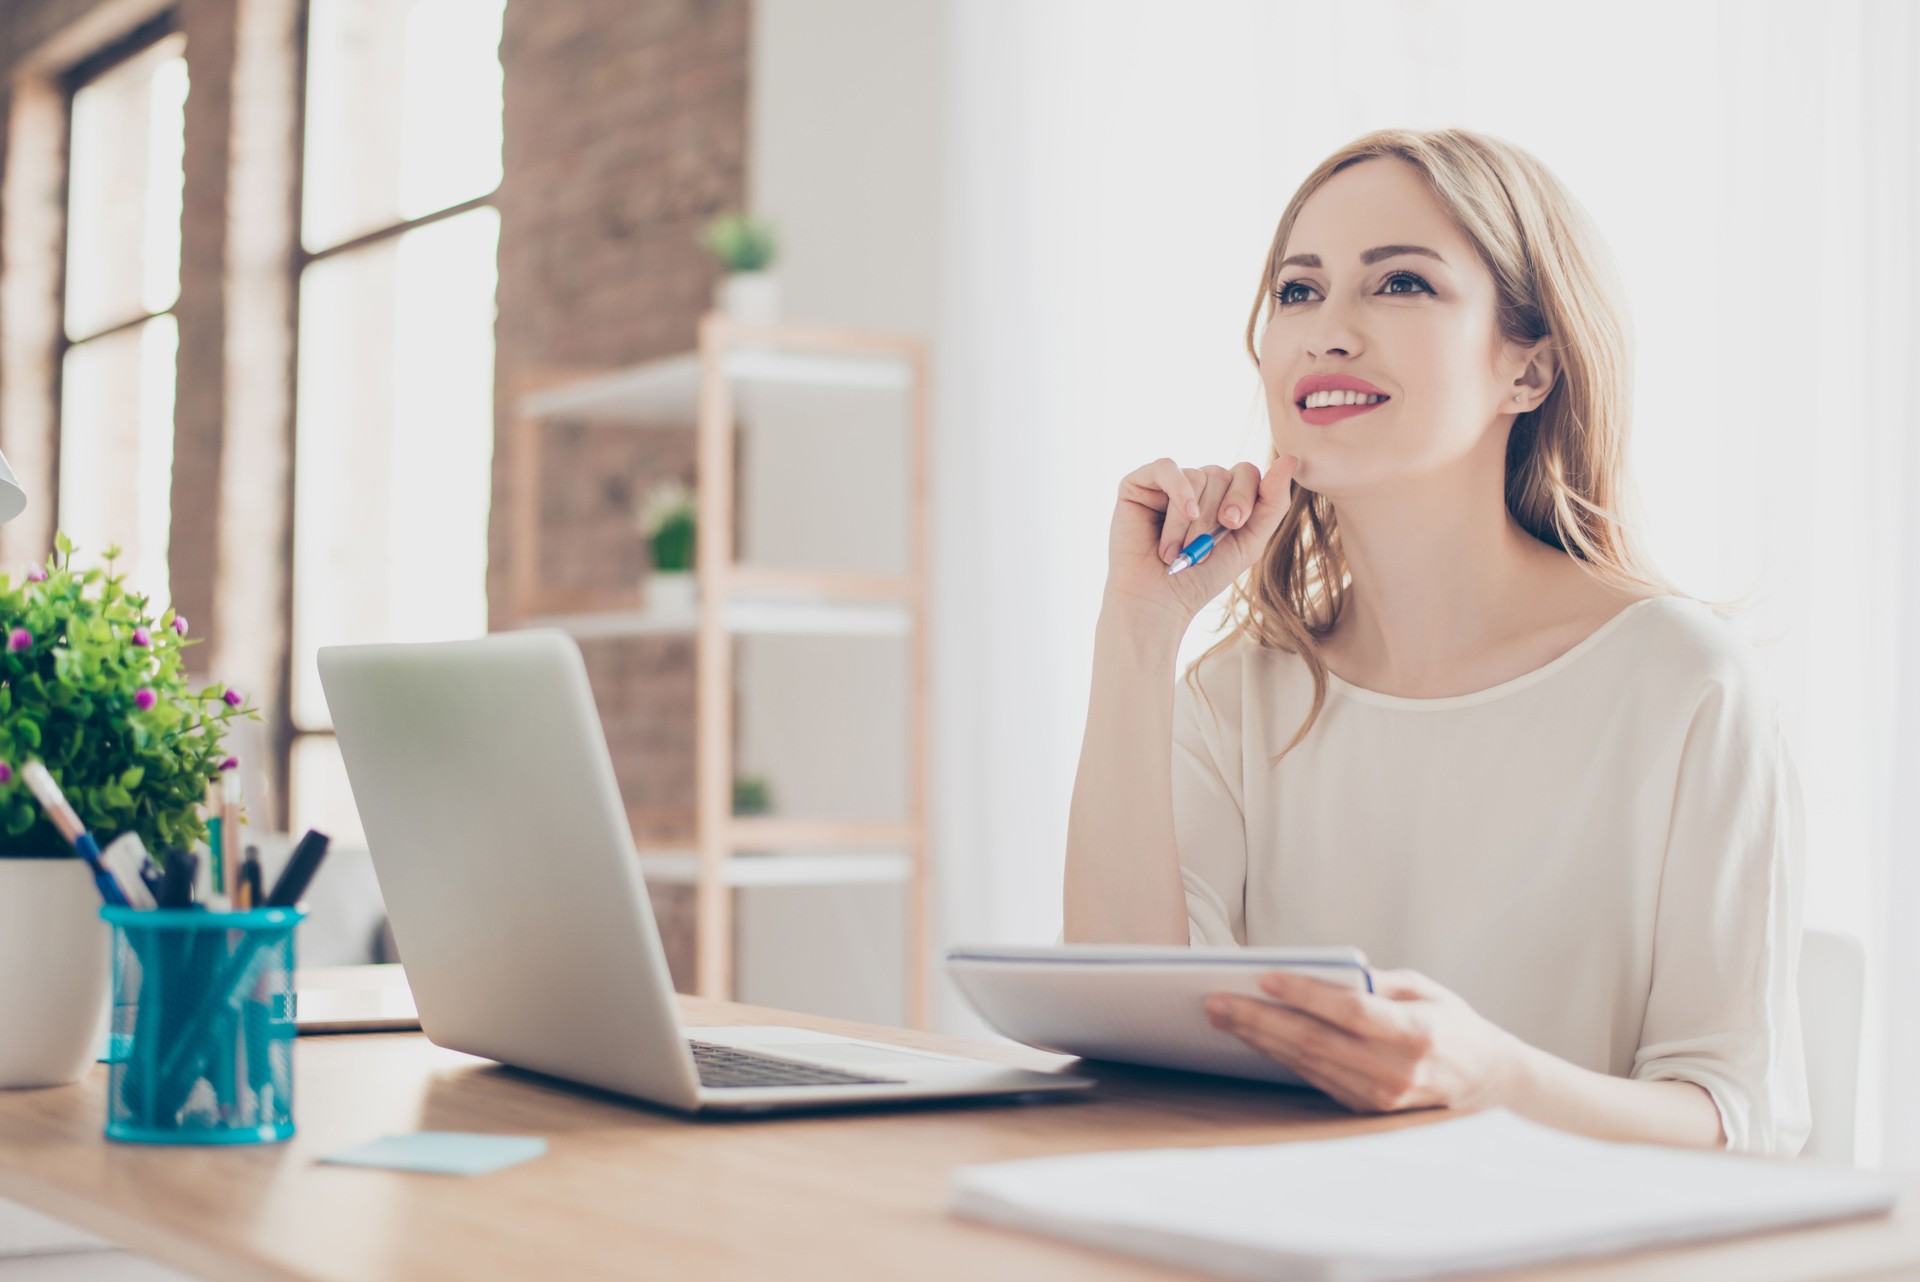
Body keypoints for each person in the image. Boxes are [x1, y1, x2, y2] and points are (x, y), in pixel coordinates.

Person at [1061, 127, 1809, 1159]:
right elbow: (1131, 1044)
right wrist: (1139, 631)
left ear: (1530, 369)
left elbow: (1739, 1117)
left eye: (1400, 284)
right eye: (1297, 291)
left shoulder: (1687, 684)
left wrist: (1490, 1078)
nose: (1328, 331)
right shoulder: (1234, 698)